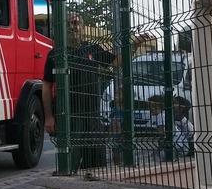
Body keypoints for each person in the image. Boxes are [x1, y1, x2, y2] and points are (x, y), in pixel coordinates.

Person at [41, 14, 144, 171]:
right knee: (69, 165)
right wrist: (48, 117)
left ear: (82, 27)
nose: (73, 27)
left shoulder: (92, 49)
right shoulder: (56, 54)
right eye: (69, 23)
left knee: (97, 165)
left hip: (93, 116)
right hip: (69, 117)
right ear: (63, 28)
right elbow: (46, 86)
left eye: (76, 23)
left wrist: (133, 45)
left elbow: (116, 62)